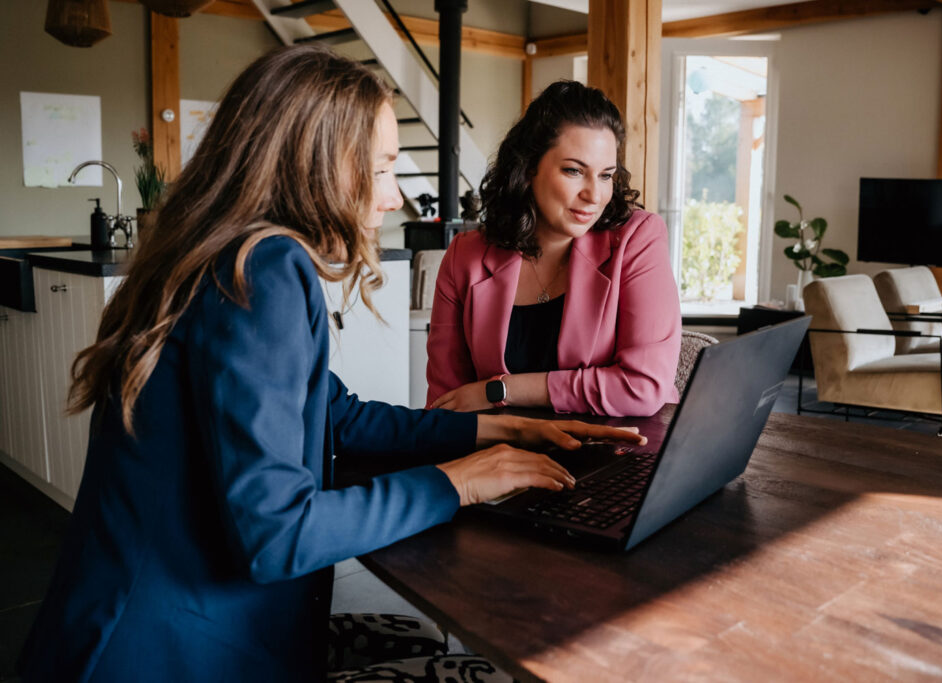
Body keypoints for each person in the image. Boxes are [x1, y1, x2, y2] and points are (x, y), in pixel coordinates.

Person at [17, 47, 645, 683]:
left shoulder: (216, 255)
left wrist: (498, 429)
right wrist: (456, 484)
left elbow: (332, 411)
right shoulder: (265, 271)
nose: (394, 198)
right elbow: (276, 534)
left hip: (113, 637)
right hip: (170, 655)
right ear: (315, 168)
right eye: (380, 169)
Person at [426, 80, 683, 417]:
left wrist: (501, 390)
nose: (594, 195)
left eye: (606, 175)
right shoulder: (466, 255)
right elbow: (446, 406)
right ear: (528, 167)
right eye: (574, 171)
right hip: (501, 456)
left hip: (614, 452)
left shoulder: (637, 238)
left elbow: (642, 387)